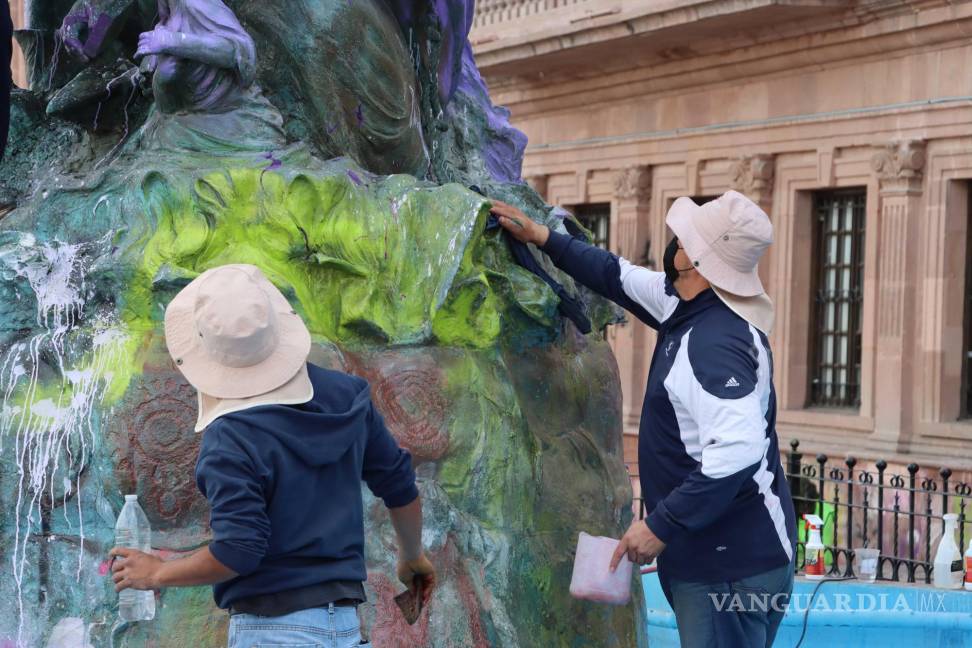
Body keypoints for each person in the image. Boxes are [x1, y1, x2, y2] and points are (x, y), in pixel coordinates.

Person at [493, 191, 796, 648]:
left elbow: (737, 452)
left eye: (682, 239)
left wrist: (660, 525)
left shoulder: (713, 345)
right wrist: (543, 238)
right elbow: (617, 276)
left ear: (692, 261)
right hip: (730, 559)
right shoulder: (690, 304)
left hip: (729, 570)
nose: (673, 243)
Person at [109, 263, 435, 647]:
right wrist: (412, 555)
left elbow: (239, 549)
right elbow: (398, 485)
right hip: (344, 628)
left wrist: (158, 572)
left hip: (272, 631)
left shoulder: (230, 437)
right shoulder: (348, 397)